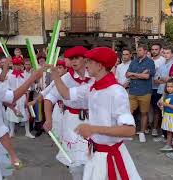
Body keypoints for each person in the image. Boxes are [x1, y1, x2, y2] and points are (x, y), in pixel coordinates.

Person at [50, 47, 141, 180]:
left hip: (110, 156)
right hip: (96, 153)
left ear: (100, 66)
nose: (86, 65)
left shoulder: (117, 92)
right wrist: (55, 75)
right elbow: (67, 94)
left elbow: (129, 130)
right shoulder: (92, 87)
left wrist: (92, 129)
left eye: (89, 62)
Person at [43, 46, 92, 180]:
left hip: (92, 120)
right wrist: (48, 119)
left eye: (77, 58)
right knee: (74, 161)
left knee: (91, 157)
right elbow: (49, 98)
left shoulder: (94, 76)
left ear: (85, 59)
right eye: (71, 59)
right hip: (71, 120)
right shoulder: (65, 79)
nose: (74, 61)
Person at [126, 44, 155, 142]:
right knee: (129, 112)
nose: (138, 52)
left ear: (145, 51)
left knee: (144, 113)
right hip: (133, 91)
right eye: (137, 50)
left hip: (145, 92)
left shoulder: (150, 62)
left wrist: (133, 74)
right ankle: (130, 132)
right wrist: (140, 74)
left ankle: (142, 132)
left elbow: (147, 77)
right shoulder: (133, 62)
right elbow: (127, 74)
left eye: (140, 50)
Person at [5, 57, 35, 138]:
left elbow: (28, 89)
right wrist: (10, 99)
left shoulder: (25, 75)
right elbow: (7, 88)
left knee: (25, 114)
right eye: (16, 65)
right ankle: (11, 132)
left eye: (19, 65)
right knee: (12, 114)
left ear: (22, 66)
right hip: (13, 97)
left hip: (22, 97)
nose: (18, 67)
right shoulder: (9, 75)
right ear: (13, 66)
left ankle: (27, 132)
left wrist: (27, 99)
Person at [153, 46, 173, 140]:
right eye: (164, 53)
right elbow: (156, 79)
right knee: (161, 113)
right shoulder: (162, 65)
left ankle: (168, 137)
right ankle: (164, 135)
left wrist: (163, 79)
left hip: (170, 92)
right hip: (160, 90)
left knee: (168, 114)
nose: (166, 55)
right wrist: (164, 79)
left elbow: (171, 79)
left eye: (168, 53)